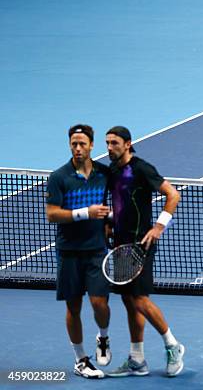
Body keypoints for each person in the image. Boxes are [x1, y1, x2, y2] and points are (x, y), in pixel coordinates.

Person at [104, 126, 184, 378]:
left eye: (114, 143)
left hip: (141, 244)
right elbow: (118, 200)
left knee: (139, 299)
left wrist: (159, 226)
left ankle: (173, 346)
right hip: (120, 244)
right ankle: (137, 359)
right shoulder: (113, 170)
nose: (109, 148)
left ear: (128, 144)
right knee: (129, 301)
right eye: (107, 143)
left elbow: (173, 194)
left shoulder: (141, 169)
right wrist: (108, 223)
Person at [46, 124, 112, 379]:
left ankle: (103, 338)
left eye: (82, 143)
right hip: (69, 252)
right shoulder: (59, 177)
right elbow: (52, 214)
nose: (78, 148)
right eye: (74, 143)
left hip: (97, 250)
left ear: (92, 145)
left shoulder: (105, 174)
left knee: (99, 303)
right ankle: (80, 359)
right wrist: (85, 213)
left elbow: (112, 205)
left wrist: (108, 222)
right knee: (73, 307)